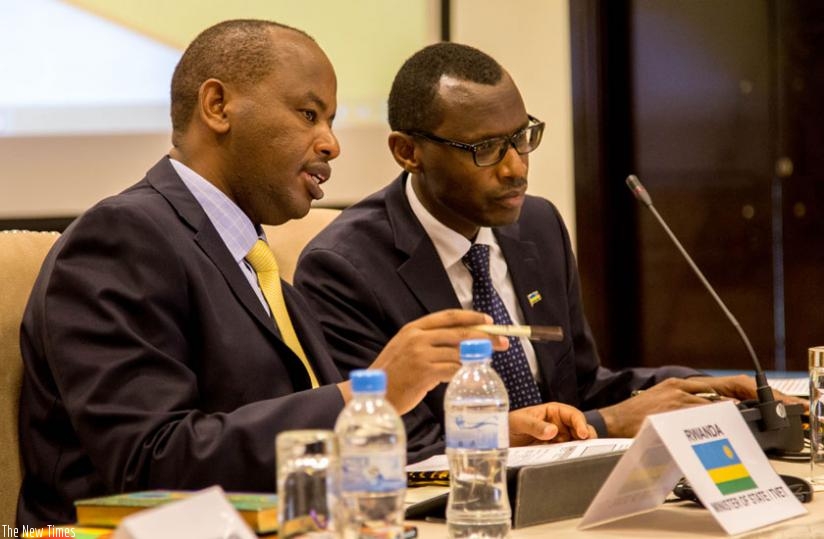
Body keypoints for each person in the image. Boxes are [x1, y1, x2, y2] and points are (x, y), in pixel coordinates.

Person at [16, 22, 592, 528]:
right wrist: (369, 397)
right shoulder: (122, 238)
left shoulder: (253, 263)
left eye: (333, 120)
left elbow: (295, 450)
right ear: (217, 106)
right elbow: (150, 464)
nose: (332, 143)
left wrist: (485, 439)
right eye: (308, 114)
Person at [294, 42, 798, 460]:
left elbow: (578, 386)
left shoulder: (538, 225)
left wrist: (692, 389)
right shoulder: (344, 267)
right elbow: (403, 449)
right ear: (408, 153)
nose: (516, 168)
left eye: (522, 138)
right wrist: (605, 426)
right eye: (486, 149)